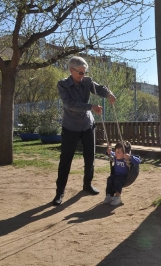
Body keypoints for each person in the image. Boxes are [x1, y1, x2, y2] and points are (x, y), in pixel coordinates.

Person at [52, 56, 116, 206]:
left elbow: (99, 88)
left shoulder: (87, 81)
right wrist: (91, 107)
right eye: (80, 73)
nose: (83, 76)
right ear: (71, 70)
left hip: (87, 125)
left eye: (84, 72)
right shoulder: (63, 84)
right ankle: (59, 192)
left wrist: (109, 94)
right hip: (70, 127)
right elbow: (70, 104)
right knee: (65, 160)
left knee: (90, 157)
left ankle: (87, 184)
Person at [103, 141, 141, 206]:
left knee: (117, 181)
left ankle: (118, 197)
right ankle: (109, 195)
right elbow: (109, 153)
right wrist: (108, 152)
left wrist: (130, 157)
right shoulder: (115, 156)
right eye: (115, 151)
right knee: (110, 179)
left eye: (118, 152)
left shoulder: (126, 159)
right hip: (116, 175)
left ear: (125, 154)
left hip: (125, 177)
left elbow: (138, 161)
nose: (115, 153)